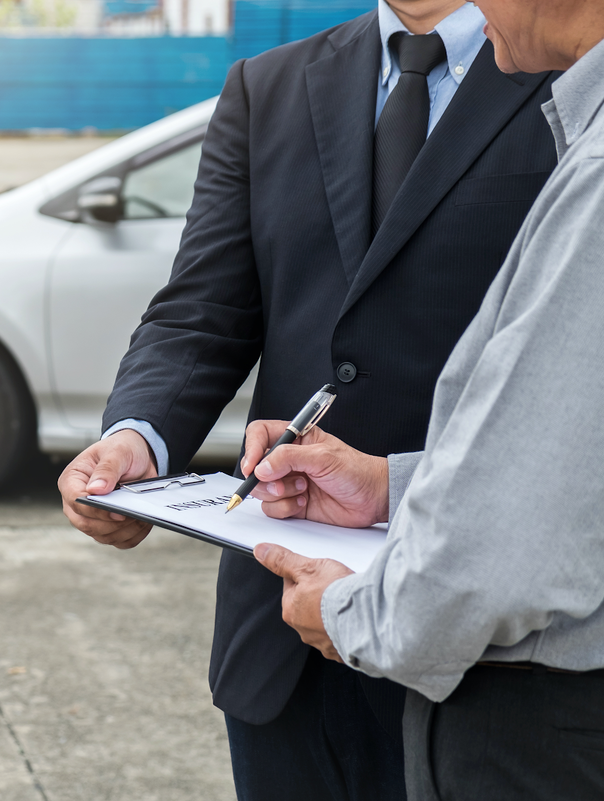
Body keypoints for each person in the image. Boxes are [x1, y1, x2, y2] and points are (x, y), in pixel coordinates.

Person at [57, 0, 559, 798]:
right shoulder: (268, 85)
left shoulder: (562, 63)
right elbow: (203, 307)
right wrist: (137, 441)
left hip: (481, 637)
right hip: (282, 629)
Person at [242, 1, 604, 797]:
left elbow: (511, 539)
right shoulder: (267, 81)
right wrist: (391, 487)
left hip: (537, 717)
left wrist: (355, 614)